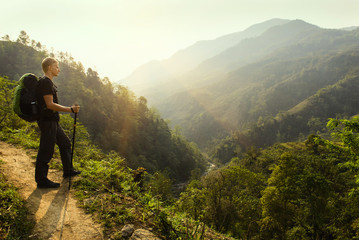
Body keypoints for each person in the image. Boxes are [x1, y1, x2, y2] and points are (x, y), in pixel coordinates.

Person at [35, 57, 81, 188]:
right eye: (57, 67)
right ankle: (41, 180)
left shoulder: (48, 82)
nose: (59, 70)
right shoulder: (45, 83)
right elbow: (49, 104)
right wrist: (70, 109)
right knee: (46, 149)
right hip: (47, 121)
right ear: (50, 67)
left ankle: (68, 170)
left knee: (65, 143)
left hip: (52, 121)